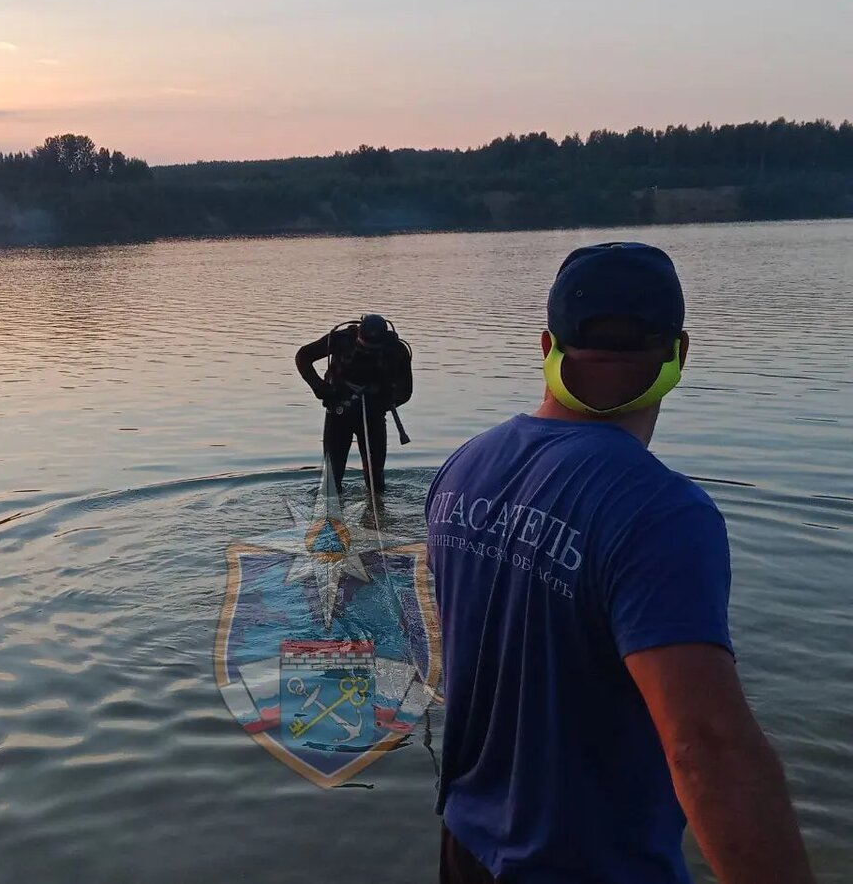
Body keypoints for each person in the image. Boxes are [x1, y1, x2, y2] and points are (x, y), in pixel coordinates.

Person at [426, 243, 813, 884]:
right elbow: (704, 748)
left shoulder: (464, 469)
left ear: (547, 344)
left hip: (467, 848)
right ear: (679, 354)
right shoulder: (662, 511)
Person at [296, 314, 412, 496]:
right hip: (339, 411)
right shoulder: (341, 340)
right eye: (366, 347)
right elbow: (303, 357)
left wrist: (383, 402)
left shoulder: (397, 350)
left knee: (376, 480)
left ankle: (375, 509)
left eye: (374, 349)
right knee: (331, 481)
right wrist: (321, 388)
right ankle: (331, 514)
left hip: (374, 415)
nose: (369, 352)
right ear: (358, 335)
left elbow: (405, 391)